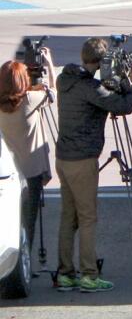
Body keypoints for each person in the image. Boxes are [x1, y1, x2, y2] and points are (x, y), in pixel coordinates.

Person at [55, 38, 132, 293]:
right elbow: (124, 105)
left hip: (64, 157)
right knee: (88, 217)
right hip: (82, 160)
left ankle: (65, 274)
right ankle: (89, 275)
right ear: (102, 62)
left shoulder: (65, 80)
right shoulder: (89, 88)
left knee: (68, 217)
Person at [0, 48, 56, 252]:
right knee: (28, 221)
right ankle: (25, 261)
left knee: (8, 222)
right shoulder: (31, 100)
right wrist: (49, 65)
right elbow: (52, 92)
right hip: (31, 172)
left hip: (8, 172)